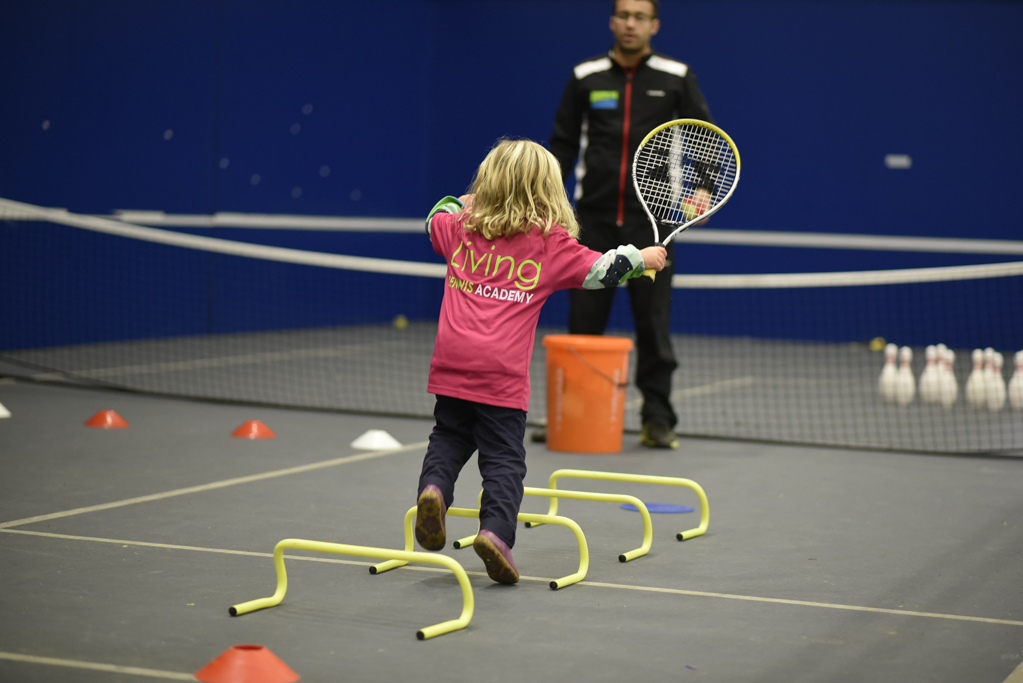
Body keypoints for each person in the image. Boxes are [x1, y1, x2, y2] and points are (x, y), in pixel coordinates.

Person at [415, 138, 666, 584]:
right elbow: (600, 271)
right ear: (550, 190)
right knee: (504, 459)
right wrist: (640, 257)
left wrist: (462, 201)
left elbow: (434, 219)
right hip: (501, 376)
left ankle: (433, 490)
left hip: (451, 365)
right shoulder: (550, 244)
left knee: (450, 434)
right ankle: (495, 534)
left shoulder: (461, 227)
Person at [547, 0, 715, 449]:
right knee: (583, 322)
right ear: (612, 21)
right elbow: (562, 144)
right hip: (593, 221)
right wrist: (545, 198)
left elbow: (705, 136)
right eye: (623, 14)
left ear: (653, 25)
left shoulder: (676, 77)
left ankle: (658, 419)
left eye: (640, 17)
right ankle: (574, 415)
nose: (630, 23)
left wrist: (702, 187)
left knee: (653, 326)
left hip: (652, 224)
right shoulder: (585, 77)